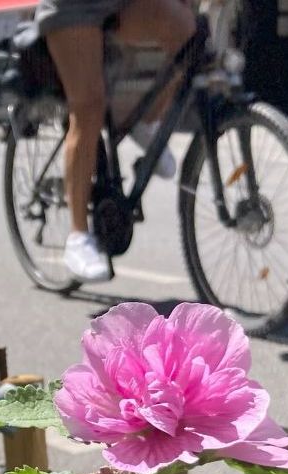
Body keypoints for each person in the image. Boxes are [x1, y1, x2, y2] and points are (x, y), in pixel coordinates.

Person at [38, 0, 196, 281]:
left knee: (189, 35)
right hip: (74, 8)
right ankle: (77, 237)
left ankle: (148, 122)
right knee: (88, 108)